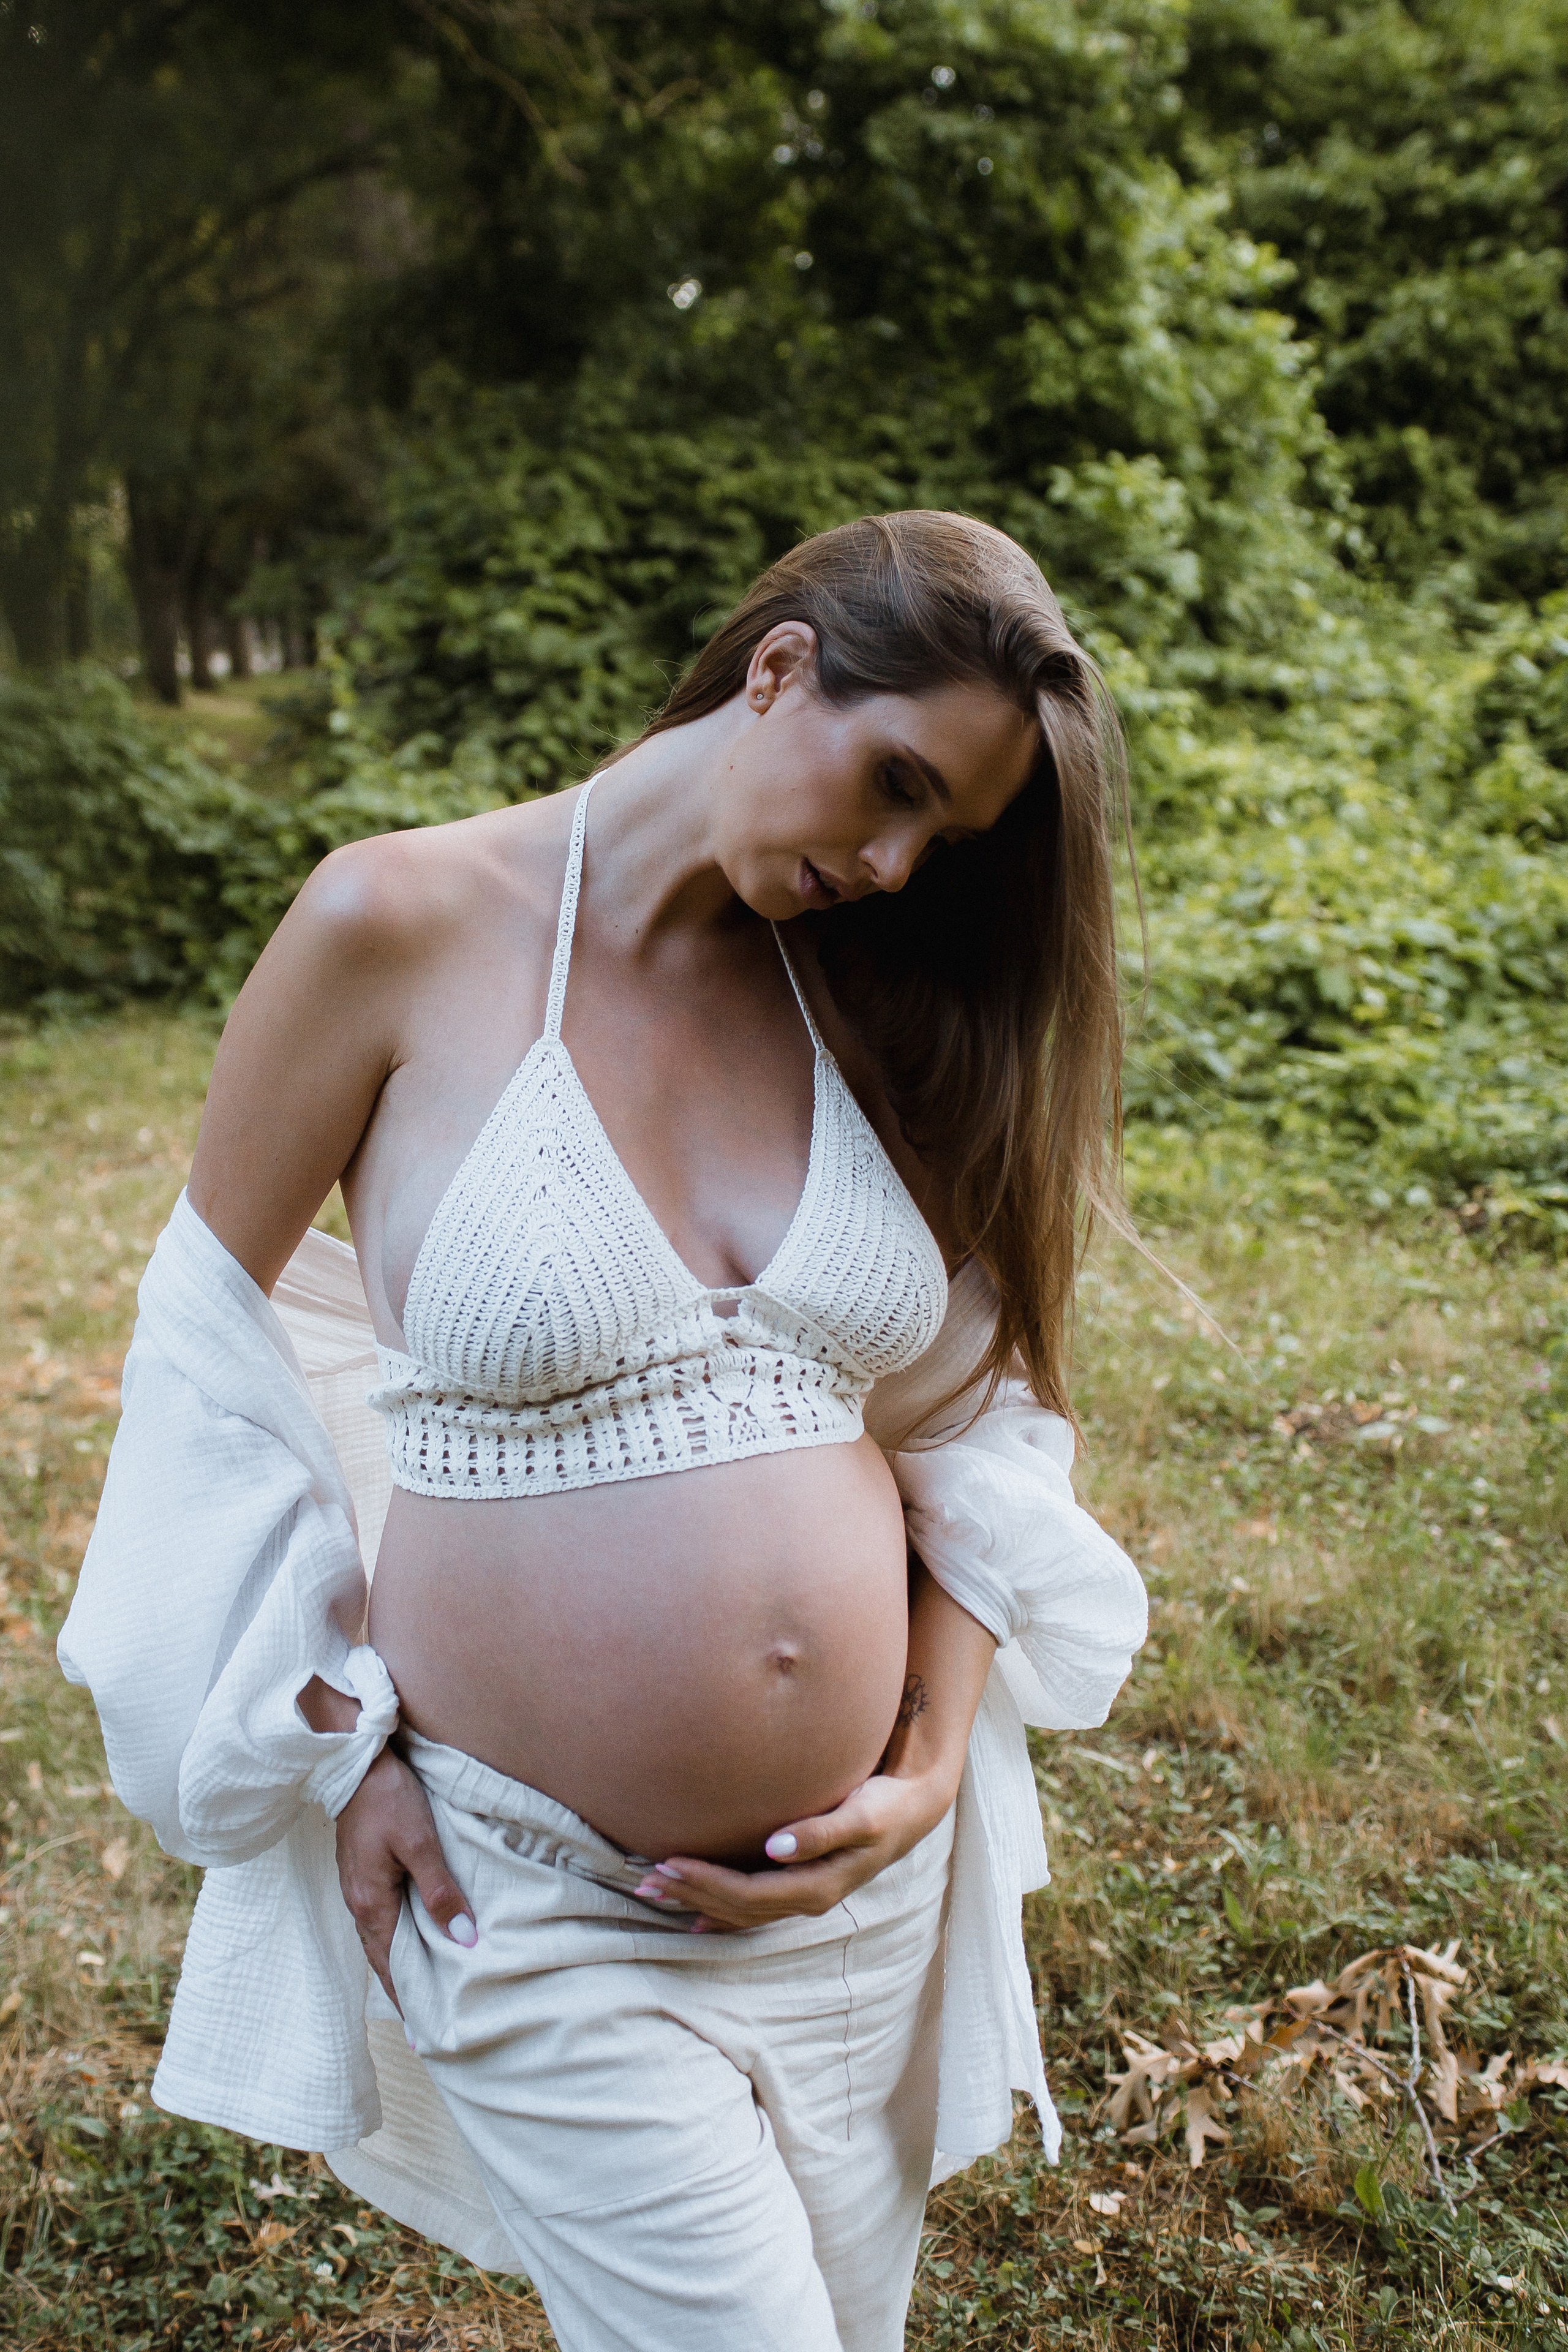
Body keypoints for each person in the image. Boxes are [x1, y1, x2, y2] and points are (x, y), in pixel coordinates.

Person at [60, 511, 1147, 2352]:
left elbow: (979, 1412)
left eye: (941, 837)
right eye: (894, 783)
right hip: (540, 1897)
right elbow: (205, 1360)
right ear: (780, 667)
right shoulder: (395, 924)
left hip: (857, 1914)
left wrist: (927, 1759)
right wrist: (339, 1753)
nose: (894, 863)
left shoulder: (862, 991)